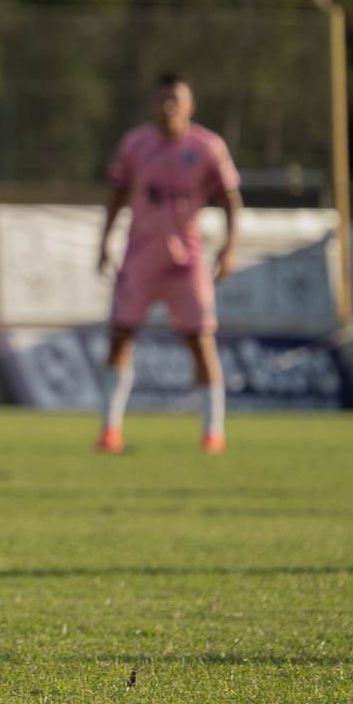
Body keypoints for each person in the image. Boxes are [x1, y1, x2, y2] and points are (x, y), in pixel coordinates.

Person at [95, 72, 242, 454]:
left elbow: (230, 199)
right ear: (152, 104)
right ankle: (110, 431)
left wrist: (229, 249)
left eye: (175, 99)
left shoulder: (208, 146)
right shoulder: (135, 144)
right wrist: (103, 242)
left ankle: (213, 432)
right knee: (120, 338)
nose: (168, 106)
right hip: (140, 258)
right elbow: (116, 194)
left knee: (200, 341)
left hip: (186, 262)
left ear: (190, 105)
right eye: (161, 99)